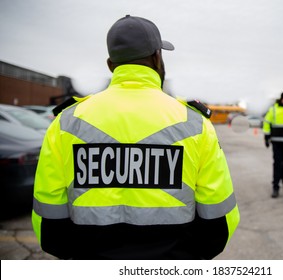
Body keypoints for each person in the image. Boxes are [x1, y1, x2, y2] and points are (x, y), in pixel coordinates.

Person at [32, 14, 240, 260]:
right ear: (157, 57)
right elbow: (220, 220)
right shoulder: (194, 124)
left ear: (111, 64)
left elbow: (49, 222)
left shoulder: (65, 123)